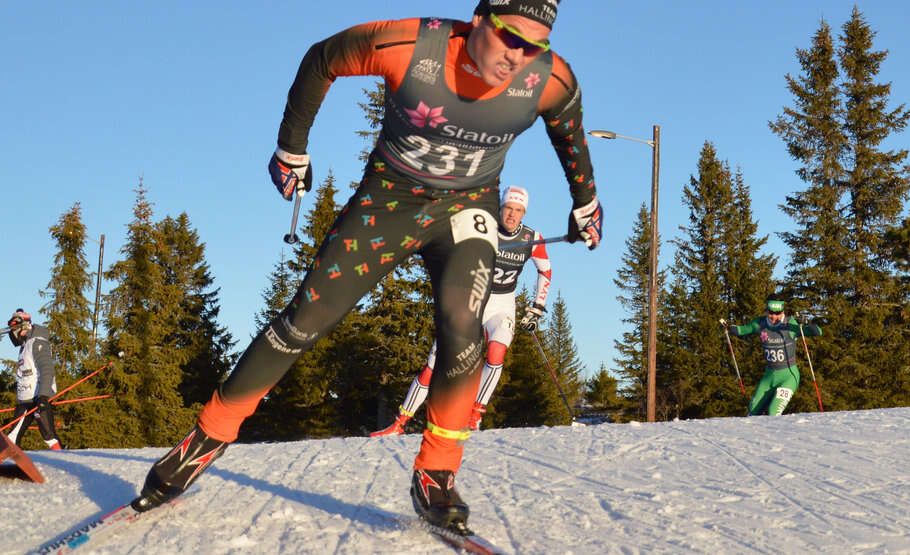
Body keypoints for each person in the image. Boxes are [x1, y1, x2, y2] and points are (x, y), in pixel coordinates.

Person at [135, 0, 602, 533]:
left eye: (535, 45)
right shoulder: (414, 47)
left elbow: (570, 136)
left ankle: (437, 472)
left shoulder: (551, 80)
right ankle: (206, 439)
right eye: (510, 36)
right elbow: (323, 58)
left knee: (463, 323)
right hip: (388, 204)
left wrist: (585, 201)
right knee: (304, 320)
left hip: (466, 208)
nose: (518, 55)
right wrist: (291, 148)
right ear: (479, 20)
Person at [371, 185, 552, 437]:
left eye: (518, 210)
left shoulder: (532, 238)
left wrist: (537, 306)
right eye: (508, 208)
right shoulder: (483, 226)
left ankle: (474, 415)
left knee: (497, 351)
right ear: (500, 208)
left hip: (501, 304)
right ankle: (400, 422)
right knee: (434, 364)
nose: (512, 214)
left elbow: (545, 271)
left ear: (524, 213)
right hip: (471, 299)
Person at [729, 297, 822, 416]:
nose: (774, 317)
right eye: (771, 313)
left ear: (783, 311)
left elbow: (817, 332)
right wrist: (730, 327)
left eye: (778, 313)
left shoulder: (790, 324)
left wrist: (807, 323)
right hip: (769, 377)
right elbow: (742, 330)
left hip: (789, 376)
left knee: (773, 412)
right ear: (767, 311)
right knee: (753, 411)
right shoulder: (760, 323)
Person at [5, 309, 63, 450]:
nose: (14, 334)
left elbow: (47, 370)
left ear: (24, 327)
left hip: (38, 397)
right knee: (12, 437)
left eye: (15, 330)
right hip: (26, 399)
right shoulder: (25, 346)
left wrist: (43, 396)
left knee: (49, 435)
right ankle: (6, 458)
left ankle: (64, 459)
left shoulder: (37, 343)